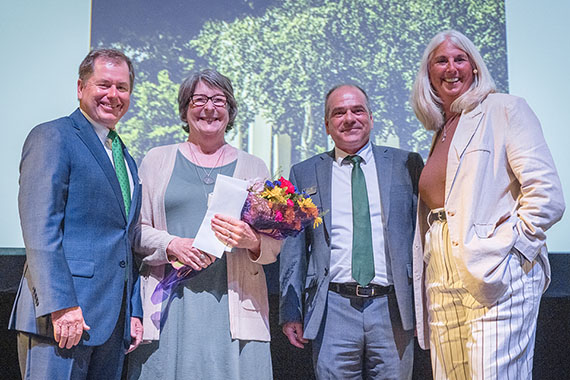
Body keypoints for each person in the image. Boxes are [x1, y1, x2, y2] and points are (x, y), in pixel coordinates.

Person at [410, 29, 565, 379]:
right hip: (442, 275)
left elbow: (547, 195)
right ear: (429, 75)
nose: (451, 67)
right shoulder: (441, 130)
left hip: (495, 269)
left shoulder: (505, 109)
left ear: (475, 68)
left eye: (460, 59)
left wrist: (514, 252)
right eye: (441, 60)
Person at [127, 68, 281, 379]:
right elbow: (135, 232)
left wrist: (251, 240)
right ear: (185, 109)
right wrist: (172, 244)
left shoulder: (255, 166)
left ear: (230, 110)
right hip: (168, 306)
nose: (209, 108)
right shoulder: (157, 160)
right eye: (198, 100)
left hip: (235, 307)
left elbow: (274, 247)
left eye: (218, 100)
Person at [9, 48, 143, 379]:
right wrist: (61, 305)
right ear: (81, 88)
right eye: (104, 84)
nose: (113, 95)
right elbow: (40, 229)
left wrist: (133, 311)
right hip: (62, 320)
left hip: (112, 324)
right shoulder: (53, 136)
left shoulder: (123, 155)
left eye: (122, 87)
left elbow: (123, 240)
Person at [279, 84, 423, 379]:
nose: (349, 118)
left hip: (394, 308)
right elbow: (294, 250)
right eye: (339, 113)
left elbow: (425, 237)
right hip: (333, 310)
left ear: (371, 117)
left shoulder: (406, 163)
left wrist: (425, 304)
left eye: (357, 110)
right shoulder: (304, 172)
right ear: (327, 125)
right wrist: (290, 310)